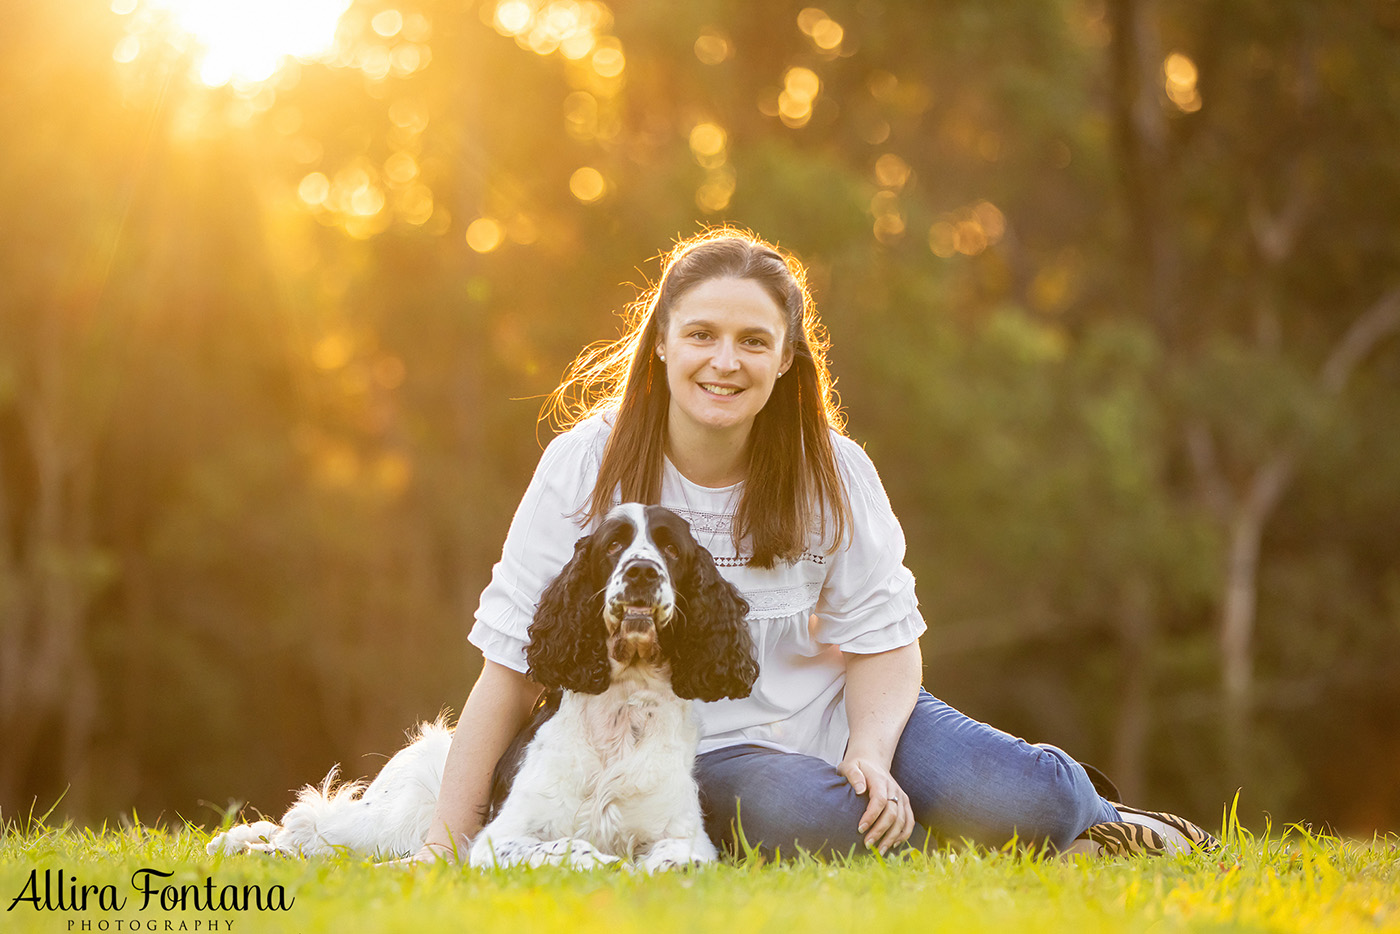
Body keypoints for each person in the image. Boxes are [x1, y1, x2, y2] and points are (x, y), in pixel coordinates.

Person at [413, 229, 1217, 862]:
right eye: (701, 334)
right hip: (704, 755)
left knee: (1023, 801)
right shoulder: (585, 465)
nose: (725, 362)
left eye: (753, 341)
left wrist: (870, 752)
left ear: (788, 356)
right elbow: (511, 667)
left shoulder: (832, 470)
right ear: (659, 342)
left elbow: (886, 643)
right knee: (797, 815)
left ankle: (1106, 822)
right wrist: (446, 842)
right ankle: (957, 845)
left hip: (843, 721)